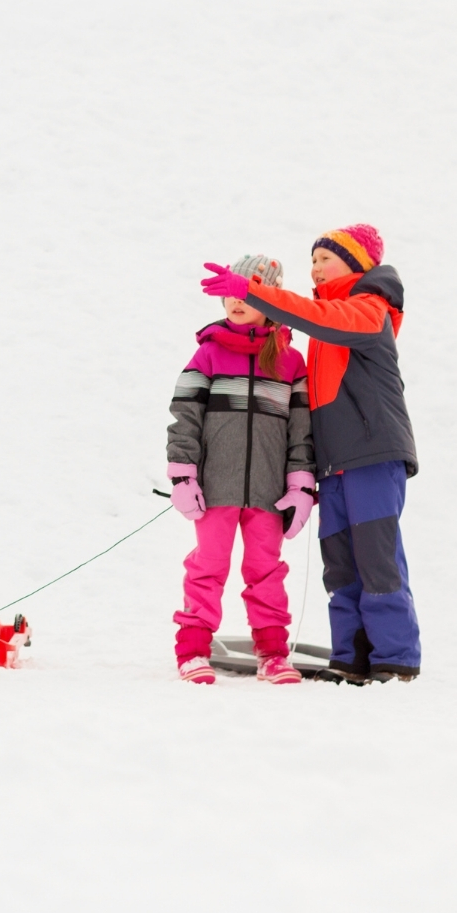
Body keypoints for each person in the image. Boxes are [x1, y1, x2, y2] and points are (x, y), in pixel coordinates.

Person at [199, 224, 421, 683]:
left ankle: (395, 657)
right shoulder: (325, 318)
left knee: (376, 557)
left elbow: (310, 314)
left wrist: (254, 292)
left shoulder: (368, 309)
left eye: (326, 259)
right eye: (313, 260)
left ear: (357, 264)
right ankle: (350, 657)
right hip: (333, 464)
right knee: (340, 563)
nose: (316, 268)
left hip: (372, 454)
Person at [167, 255, 316, 685]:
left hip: (269, 491)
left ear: (269, 300)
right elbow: (185, 417)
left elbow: (302, 430)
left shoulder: (290, 362)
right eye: (231, 294)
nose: (236, 302)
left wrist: (300, 483)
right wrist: (183, 475)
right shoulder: (208, 353)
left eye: (247, 294)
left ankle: (273, 654)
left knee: (266, 570)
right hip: (216, 487)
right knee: (208, 566)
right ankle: (193, 651)